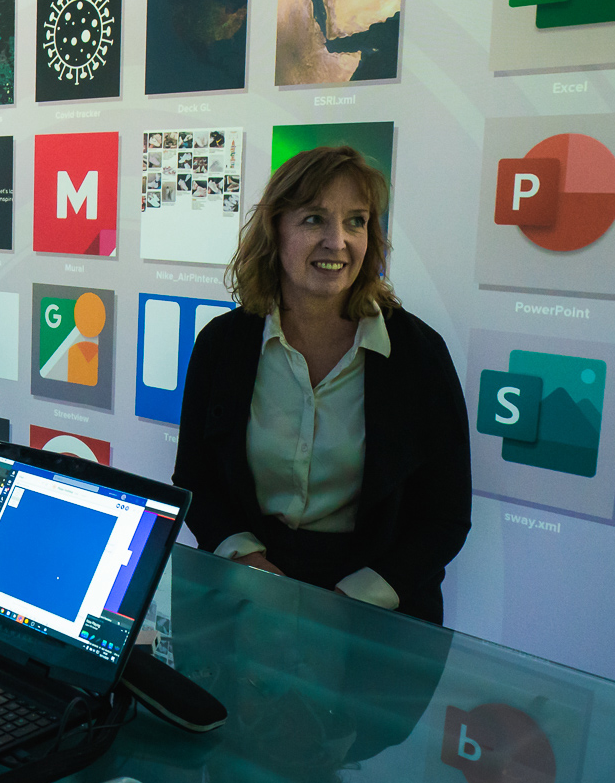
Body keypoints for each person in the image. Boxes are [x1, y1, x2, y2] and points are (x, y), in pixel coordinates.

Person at [173, 145, 470, 623]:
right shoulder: (222, 345)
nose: (338, 241)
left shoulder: (419, 355)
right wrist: (248, 562)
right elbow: (196, 479)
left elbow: (445, 516)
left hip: (377, 616)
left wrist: (351, 601)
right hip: (246, 601)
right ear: (275, 230)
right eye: (314, 219)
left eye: (356, 221)